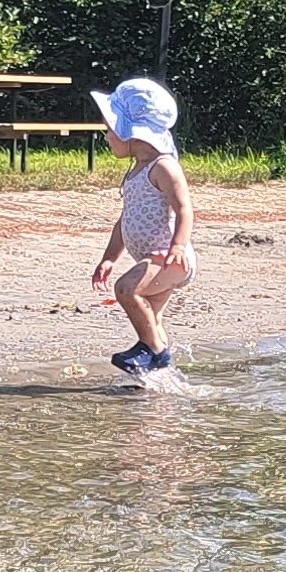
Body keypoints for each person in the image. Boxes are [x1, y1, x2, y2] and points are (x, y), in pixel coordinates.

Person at [90, 74, 193, 376]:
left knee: (125, 289)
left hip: (170, 258)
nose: (106, 136)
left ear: (131, 132)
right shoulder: (137, 171)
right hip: (150, 259)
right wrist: (109, 257)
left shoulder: (164, 167)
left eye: (110, 129)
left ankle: (157, 353)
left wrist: (178, 246)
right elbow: (125, 220)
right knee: (152, 321)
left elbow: (185, 209)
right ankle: (157, 383)